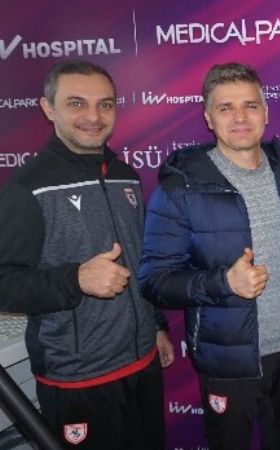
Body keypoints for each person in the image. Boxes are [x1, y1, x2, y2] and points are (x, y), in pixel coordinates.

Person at [138, 62, 280, 450]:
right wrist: (224, 282)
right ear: (208, 118)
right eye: (226, 108)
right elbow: (154, 282)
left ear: (265, 112)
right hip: (226, 362)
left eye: (250, 105)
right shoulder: (180, 188)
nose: (240, 117)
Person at [0, 59, 173, 449]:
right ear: (49, 108)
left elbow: (140, 260)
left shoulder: (126, 175)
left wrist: (156, 325)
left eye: (105, 104)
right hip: (80, 381)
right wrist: (75, 279)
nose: (94, 117)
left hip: (143, 365)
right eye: (76, 103)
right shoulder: (28, 188)